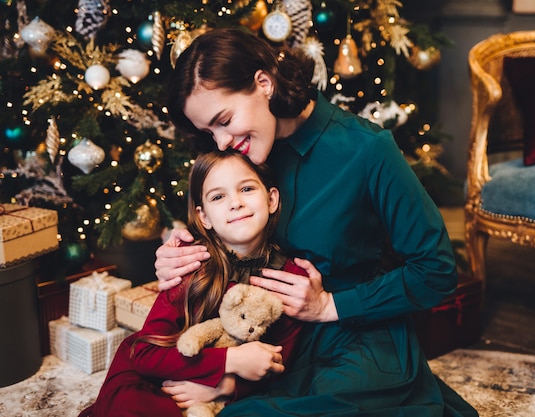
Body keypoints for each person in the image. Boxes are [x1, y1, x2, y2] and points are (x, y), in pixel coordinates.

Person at [157, 27, 478, 416]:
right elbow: (225, 234)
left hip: (355, 339)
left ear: (264, 83)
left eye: (223, 120)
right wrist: (180, 257)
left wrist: (330, 306)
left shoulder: (366, 149)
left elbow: (436, 271)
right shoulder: (240, 156)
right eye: (209, 131)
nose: (221, 142)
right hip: (270, 339)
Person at [79, 150, 308, 416]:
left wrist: (226, 386)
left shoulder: (290, 277)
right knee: (132, 406)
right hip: (159, 371)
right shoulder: (190, 265)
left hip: (227, 390)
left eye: (246, 188)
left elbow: (279, 364)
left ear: (271, 199)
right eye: (218, 196)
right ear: (204, 217)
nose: (235, 203)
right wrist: (229, 361)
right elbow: (145, 354)